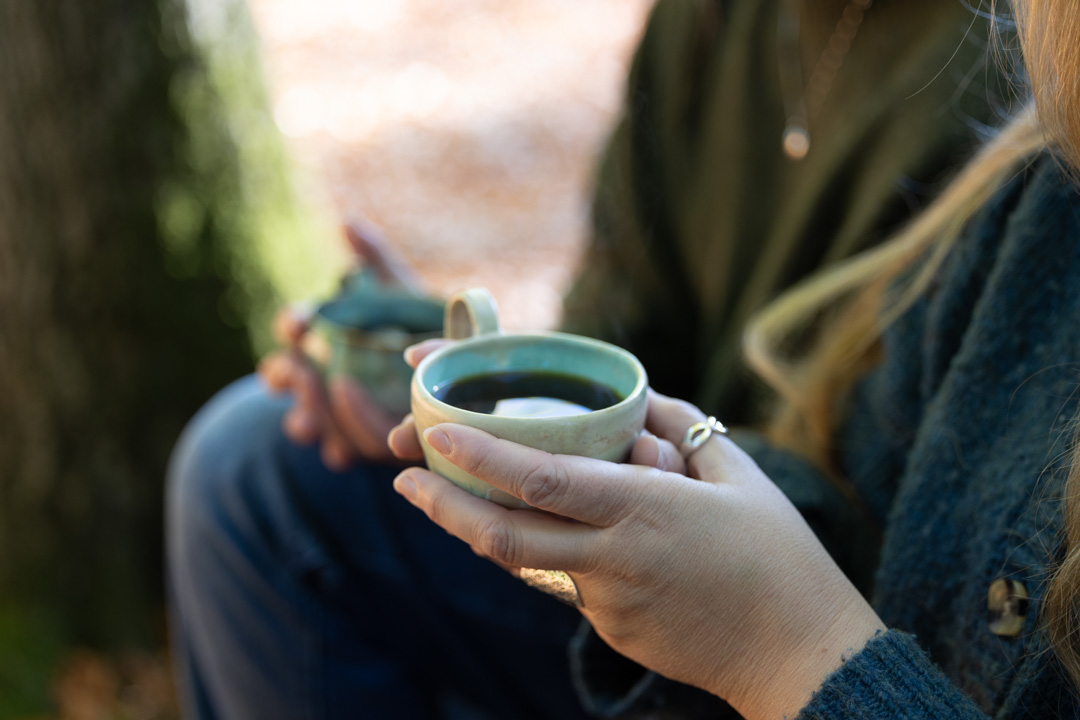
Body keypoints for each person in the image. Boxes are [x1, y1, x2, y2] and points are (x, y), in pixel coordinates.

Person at [165, 0, 1020, 718]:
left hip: (802, 605)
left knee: (250, 484)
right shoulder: (713, 22)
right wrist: (466, 378)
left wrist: (658, 462)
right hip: (659, 498)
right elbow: (619, 333)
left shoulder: (1007, 77)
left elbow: (900, 535)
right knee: (254, 461)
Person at [389, 0, 1080, 716]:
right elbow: (859, 489)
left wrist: (787, 644)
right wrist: (617, 449)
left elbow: (796, 614)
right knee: (273, 450)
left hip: (731, 630)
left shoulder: (989, 70)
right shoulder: (1032, 200)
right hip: (697, 577)